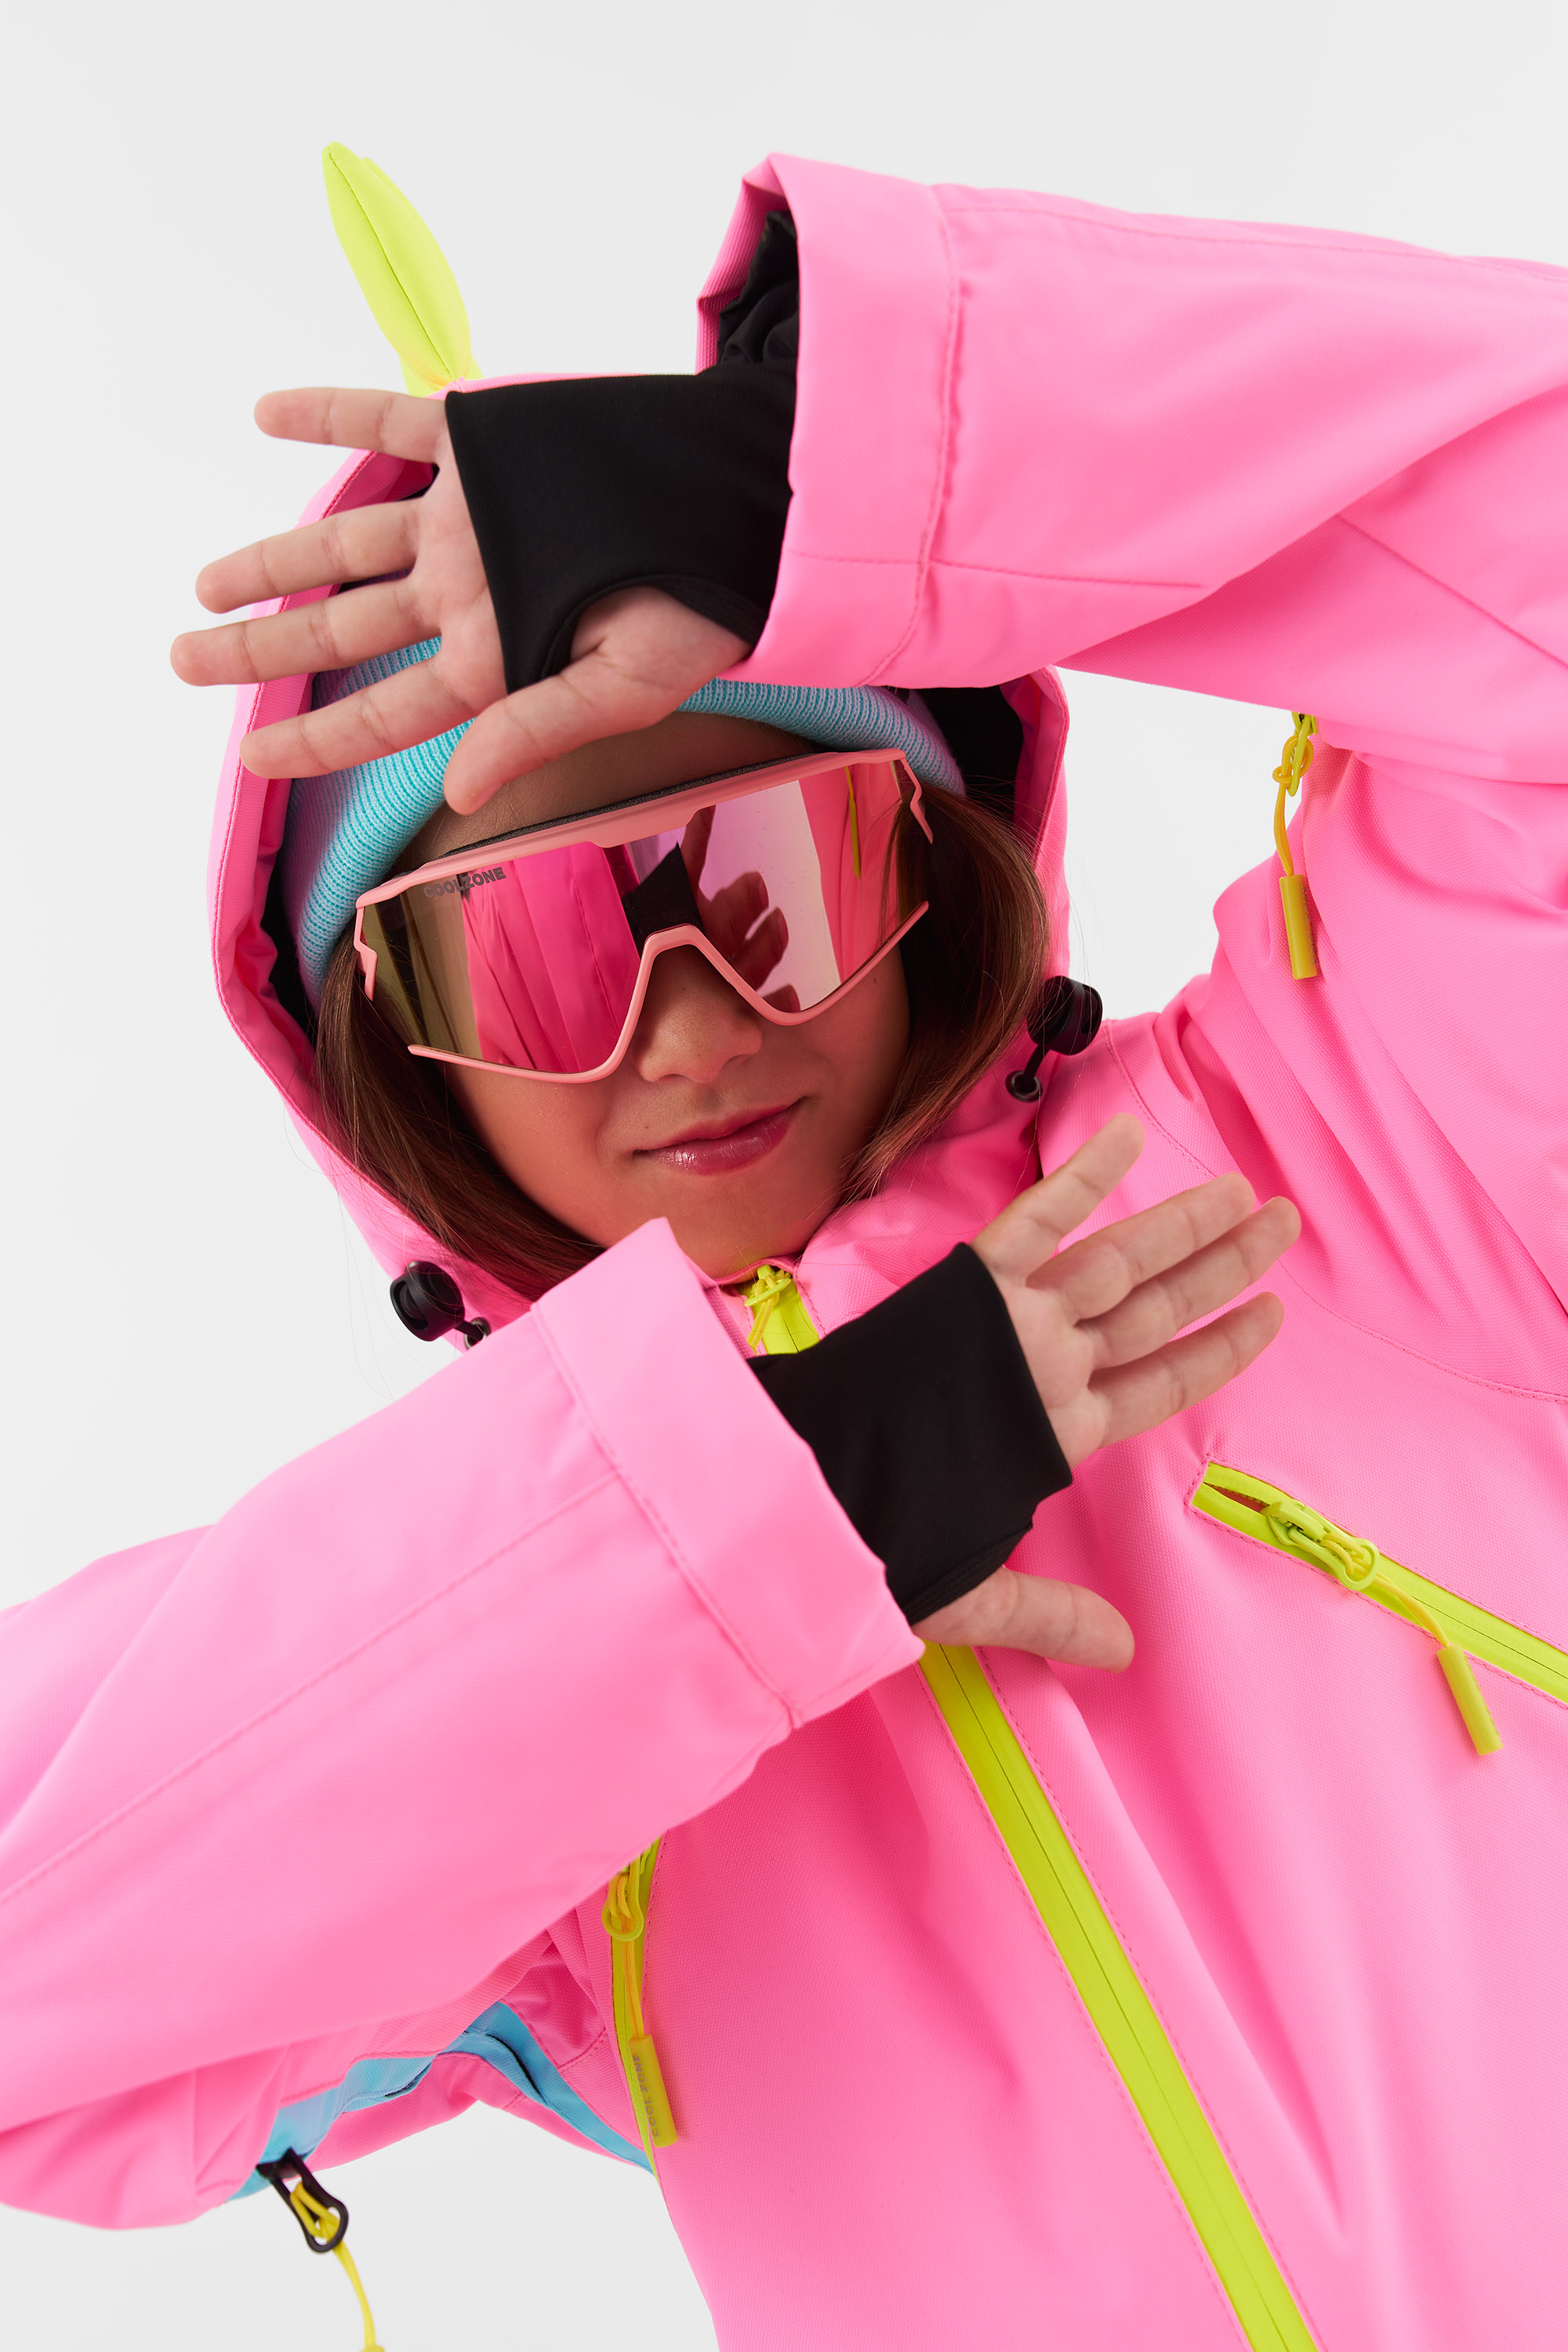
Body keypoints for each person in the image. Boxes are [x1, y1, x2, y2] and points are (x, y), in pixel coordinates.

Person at [4, 145, 1566, 2352]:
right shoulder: (537, 1713)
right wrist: (745, 1523)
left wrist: (841, 481)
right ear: (393, 1055)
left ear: (926, 867)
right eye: (538, 948)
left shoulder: (1344, 1164)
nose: (693, 1026)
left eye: (769, 875)